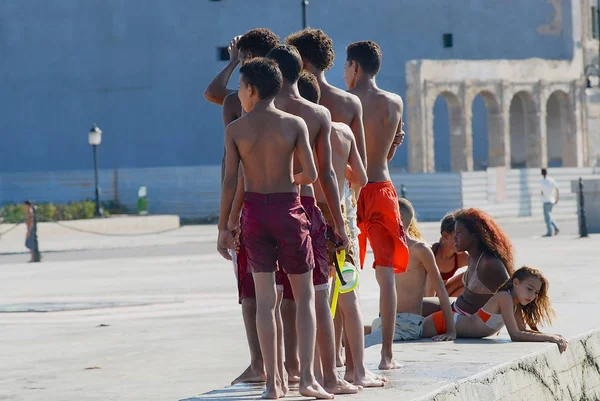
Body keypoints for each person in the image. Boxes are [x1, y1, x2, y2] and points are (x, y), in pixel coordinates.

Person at [217, 58, 331, 400]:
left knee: (266, 302)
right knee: (304, 297)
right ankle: (308, 379)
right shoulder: (294, 123)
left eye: (240, 87)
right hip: (288, 210)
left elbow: (230, 181)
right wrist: (288, 181)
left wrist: (225, 226)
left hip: (253, 213)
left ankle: (273, 383)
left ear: (251, 90)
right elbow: (310, 174)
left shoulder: (235, 130)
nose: (239, 94)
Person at [264, 44, 357, 395]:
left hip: (264, 210)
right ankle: (326, 377)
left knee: (274, 300)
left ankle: (282, 376)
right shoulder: (316, 113)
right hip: (304, 208)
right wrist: (339, 223)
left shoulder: (256, 113)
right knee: (317, 296)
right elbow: (327, 177)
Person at [298, 70, 386, 388]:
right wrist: (342, 172)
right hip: (339, 220)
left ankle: (316, 368)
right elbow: (361, 178)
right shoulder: (342, 133)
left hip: (307, 216)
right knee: (348, 297)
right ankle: (356, 369)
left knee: (315, 296)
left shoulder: (297, 131)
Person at [204, 28, 280, 386]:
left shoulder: (238, 101)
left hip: (245, 199)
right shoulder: (288, 106)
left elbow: (211, 93)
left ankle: (258, 363)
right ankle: (285, 362)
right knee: (284, 290)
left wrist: (234, 61)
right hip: (282, 198)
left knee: (251, 290)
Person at [343, 40, 409, 370]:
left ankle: (344, 353)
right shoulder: (394, 102)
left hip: (353, 191)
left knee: (344, 271)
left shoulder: (345, 102)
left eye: (345, 67)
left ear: (355, 67)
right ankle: (387, 355)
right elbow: (386, 154)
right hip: (382, 188)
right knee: (386, 277)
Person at [285, 28, 367, 263]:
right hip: (337, 200)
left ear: (304, 61)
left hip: (301, 199)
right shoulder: (350, 103)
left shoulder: (287, 103)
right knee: (344, 281)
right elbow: (361, 168)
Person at [365, 198, 456, 345]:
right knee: (341, 338)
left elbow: (440, 289)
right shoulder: (385, 249)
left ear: (397, 217)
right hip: (384, 322)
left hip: (407, 324)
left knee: (355, 346)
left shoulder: (420, 250)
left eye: (383, 216)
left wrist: (451, 331)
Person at [424, 267, 568, 354]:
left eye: (536, 292)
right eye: (529, 289)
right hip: (442, 322)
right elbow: (515, 335)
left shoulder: (516, 303)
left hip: (450, 323)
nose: (532, 295)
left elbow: (522, 330)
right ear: (516, 283)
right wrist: (549, 338)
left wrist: (552, 335)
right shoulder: (504, 297)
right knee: (404, 332)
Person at [422, 208, 515, 318]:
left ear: (474, 235)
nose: (456, 238)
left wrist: (516, 330)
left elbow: (511, 296)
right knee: (415, 305)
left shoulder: (487, 262)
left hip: (463, 315)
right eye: (454, 233)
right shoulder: (471, 258)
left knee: (417, 313)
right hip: (452, 305)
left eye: (459, 233)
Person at [424, 212, 469, 298]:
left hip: (441, 297)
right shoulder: (430, 252)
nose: (462, 240)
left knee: (470, 276)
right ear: (445, 236)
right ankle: (431, 310)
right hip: (422, 299)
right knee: (432, 274)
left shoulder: (461, 257)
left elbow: (482, 265)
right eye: (457, 235)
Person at [540, 168, 560, 237]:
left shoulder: (542, 181)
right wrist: (557, 198)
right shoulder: (551, 180)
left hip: (546, 201)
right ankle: (556, 228)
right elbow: (557, 188)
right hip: (551, 200)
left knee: (547, 218)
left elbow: (542, 192)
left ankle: (549, 232)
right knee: (549, 217)